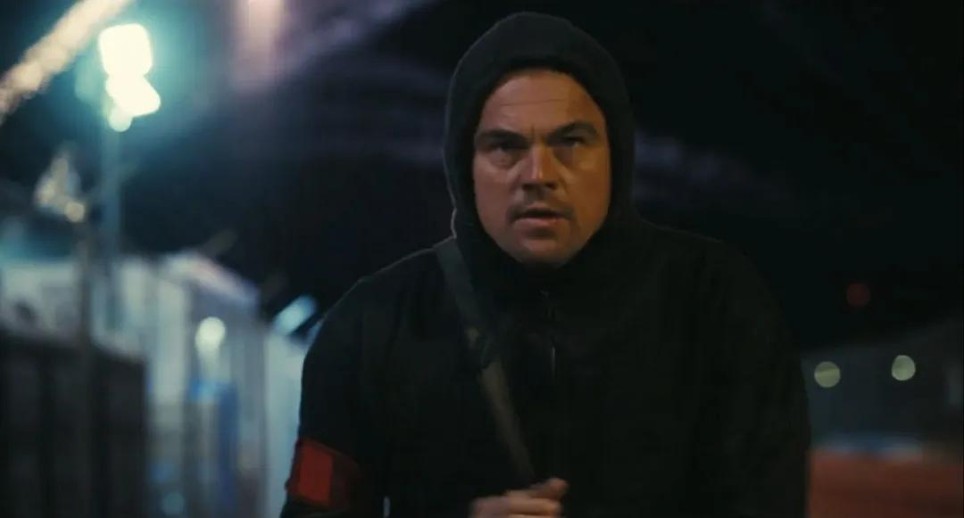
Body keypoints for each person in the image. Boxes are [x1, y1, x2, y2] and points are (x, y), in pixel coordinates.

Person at [281, 12, 809, 518]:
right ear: (463, 166)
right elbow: (314, 510)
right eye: (504, 147)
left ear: (616, 156)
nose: (538, 174)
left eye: (571, 142)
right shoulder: (368, 330)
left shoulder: (719, 308)